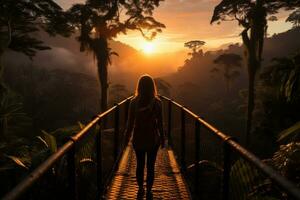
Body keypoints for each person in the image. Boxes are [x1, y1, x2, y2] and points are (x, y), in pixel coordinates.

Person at [125, 74, 165, 198]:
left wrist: (126, 138)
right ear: (152, 87)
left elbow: (130, 123)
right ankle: (149, 191)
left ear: (139, 86)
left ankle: (140, 188)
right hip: (153, 138)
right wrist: (163, 138)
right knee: (151, 166)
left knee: (140, 164)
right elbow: (160, 123)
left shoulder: (133, 102)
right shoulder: (158, 103)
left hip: (138, 138)